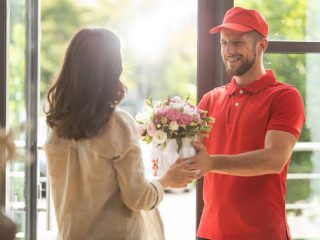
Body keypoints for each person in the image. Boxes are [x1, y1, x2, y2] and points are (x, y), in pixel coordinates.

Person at [44, 27, 197, 240]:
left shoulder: (55, 126)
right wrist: (167, 180)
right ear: (111, 69)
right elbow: (138, 198)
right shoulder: (117, 124)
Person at [189, 7, 306, 240]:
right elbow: (192, 158)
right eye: (224, 43)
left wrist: (212, 162)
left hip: (262, 234)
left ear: (261, 45)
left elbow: (274, 159)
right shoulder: (209, 100)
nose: (229, 50)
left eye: (238, 42)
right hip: (210, 232)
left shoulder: (284, 97)